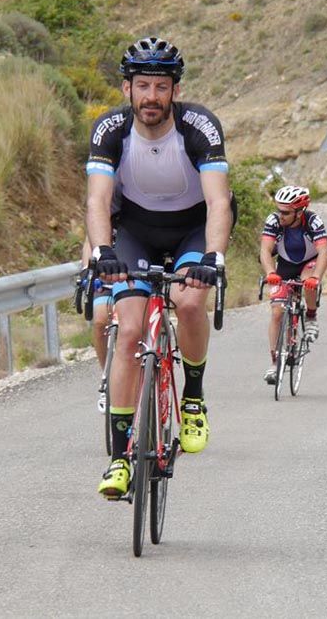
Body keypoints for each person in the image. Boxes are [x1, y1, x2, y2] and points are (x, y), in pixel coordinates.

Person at [86, 36, 233, 498]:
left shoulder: (199, 126)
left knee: (188, 303)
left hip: (191, 230)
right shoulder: (110, 129)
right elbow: (97, 200)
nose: (152, 96)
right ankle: (119, 459)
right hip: (135, 230)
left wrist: (213, 257)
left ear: (175, 90)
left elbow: (218, 201)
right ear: (127, 88)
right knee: (129, 331)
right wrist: (102, 252)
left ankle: (193, 397)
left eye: (161, 86)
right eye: (143, 86)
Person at [260, 185, 327, 385]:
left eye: (286, 212)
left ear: (299, 212)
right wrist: (270, 273)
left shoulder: (313, 221)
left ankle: (311, 316)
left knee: (308, 281)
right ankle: (274, 363)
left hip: (310, 261)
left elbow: (323, 252)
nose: (280, 215)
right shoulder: (274, 220)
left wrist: (316, 277)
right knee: (277, 312)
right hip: (286, 263)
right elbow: (265, 250)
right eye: (279, 210)